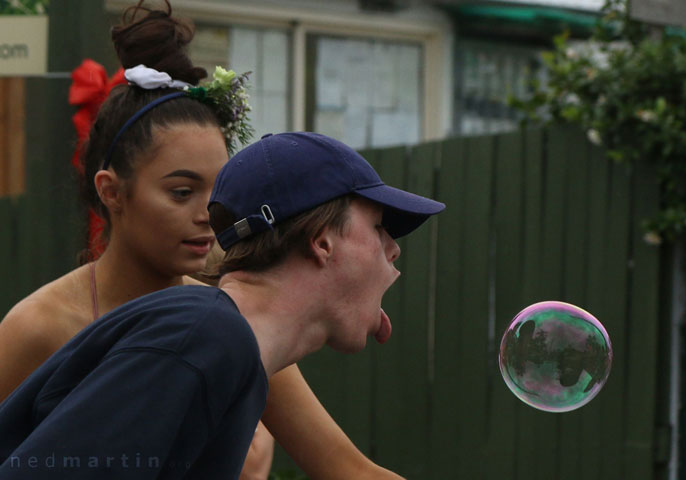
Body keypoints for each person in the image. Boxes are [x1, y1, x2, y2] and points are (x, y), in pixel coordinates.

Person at [0, 3, 415, 479]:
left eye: (217, 195)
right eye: (181, 191)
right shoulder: (45, 325)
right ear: (111, 191)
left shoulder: (233, 328)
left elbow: (345, 468)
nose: (205, 215)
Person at [0, 131, 446, 478]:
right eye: (379, 226)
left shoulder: (225, 347)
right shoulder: (204, 336)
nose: (394, 250)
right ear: (322, 241)